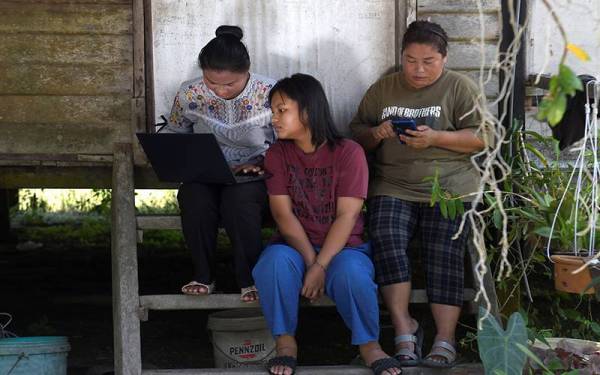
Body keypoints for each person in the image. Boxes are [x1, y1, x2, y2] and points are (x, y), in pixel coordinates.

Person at [350, 20, 490, 368]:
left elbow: (484, 137)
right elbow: (356, 135)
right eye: (410, 60)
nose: (418, 69)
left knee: (444, 248)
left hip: (451, 187)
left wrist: (437, 138)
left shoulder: (460, 87)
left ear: (445, 58)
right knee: (385, 238)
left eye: (428, 61)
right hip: (393, 185)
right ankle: (404, 329)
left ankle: (445, 337)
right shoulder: (383, 89)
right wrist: (378, 133)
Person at [253, 73, 402, 375]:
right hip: (294, 246)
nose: (274, 119)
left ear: (307, 111)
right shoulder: (277, 153)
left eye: (282, 110)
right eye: (273, 111)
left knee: (352, 275)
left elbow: (347, 216)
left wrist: (322, 265)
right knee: (273, 265)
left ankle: (369, 345)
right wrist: (312, 264)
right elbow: (283, 215)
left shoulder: (349, 153)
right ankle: (285, 343)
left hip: (344, 246)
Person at [165, 25, 276, 302]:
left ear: (247, 71)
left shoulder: (269, 92)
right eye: (212, 83)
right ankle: (203, 275)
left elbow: (285, 140)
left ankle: (249, 278)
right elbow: (176, 133)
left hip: (255, 173)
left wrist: (263, 162)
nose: (220, 90)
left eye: (230, 84)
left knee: (239, 202)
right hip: (206, 171)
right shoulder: (189, 93)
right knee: (192, 196)